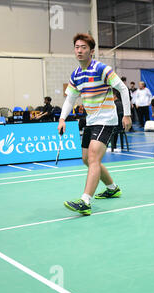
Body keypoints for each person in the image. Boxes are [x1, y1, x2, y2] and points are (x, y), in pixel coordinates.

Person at [58, 33, 132, 216]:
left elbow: (122, 88)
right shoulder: (76, 75)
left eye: (83, 47)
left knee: (92, 158)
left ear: (91, 51)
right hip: (91, 120)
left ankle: (85, 201)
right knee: (88, 159)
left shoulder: (101, 69)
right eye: (77, 47)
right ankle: (112, 188)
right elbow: (70, 99)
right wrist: (62, 118)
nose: (79, 50)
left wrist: (127, 115)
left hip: (106, 119)